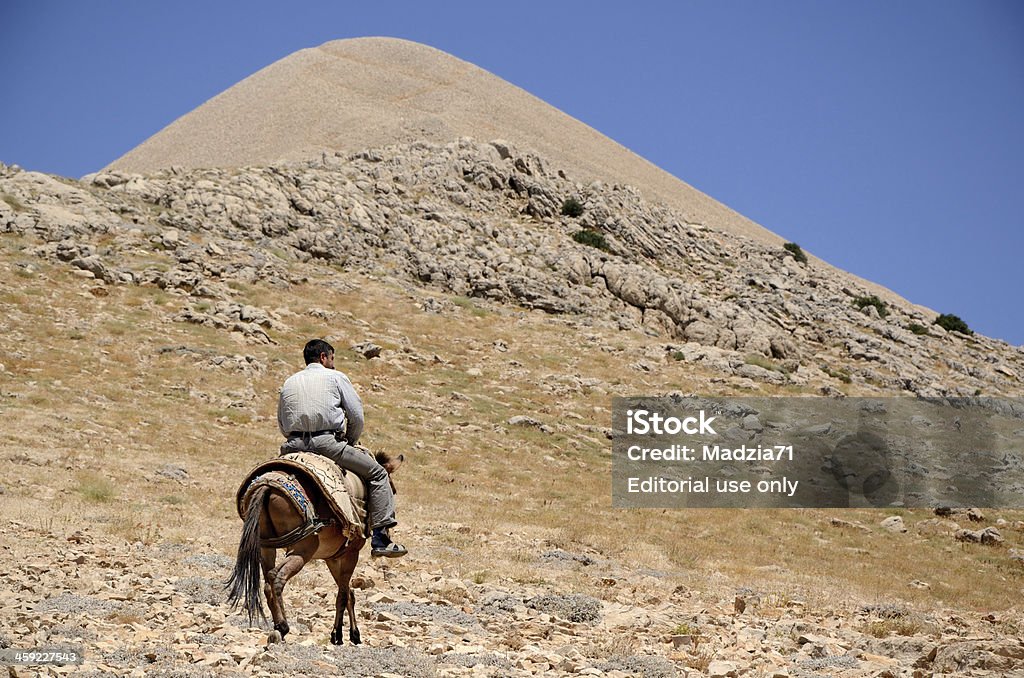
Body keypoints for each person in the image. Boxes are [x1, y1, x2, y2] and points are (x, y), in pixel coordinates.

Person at [278, 339, 407, 558]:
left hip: (292, 447)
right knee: (378, 473)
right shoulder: (336, 377)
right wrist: (349, 440)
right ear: (323, 357)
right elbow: (356, 415)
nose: (334, 364)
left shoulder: (290, 381)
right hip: (328, 444)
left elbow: (282, 421)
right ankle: (380, 539)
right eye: (332, 359)